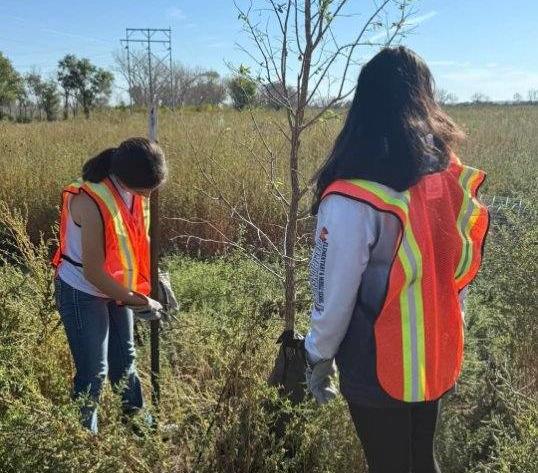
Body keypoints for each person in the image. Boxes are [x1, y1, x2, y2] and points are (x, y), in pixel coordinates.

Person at [304, 47, 489, 473]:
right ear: (425, 98)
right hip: (435, 349)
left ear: (364, 103)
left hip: (377, 363)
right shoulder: (444, 174)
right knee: (422, 462)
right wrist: (453, 326)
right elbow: (457, 264)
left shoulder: (353, 193)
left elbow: (333, 290)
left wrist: (318, 354)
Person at [52, 137, 167, 434]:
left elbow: (136, 238)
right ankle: (82, 443)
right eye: (147, 189)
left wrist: (152, 282)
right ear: (129, 179)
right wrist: (139, 300)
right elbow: (93, 272)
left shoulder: (135, 189)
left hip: (116, 287)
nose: (150, 195)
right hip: (84, 290)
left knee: (125, 361)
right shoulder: (89, 201)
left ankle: (139, 427)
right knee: (93, 373)